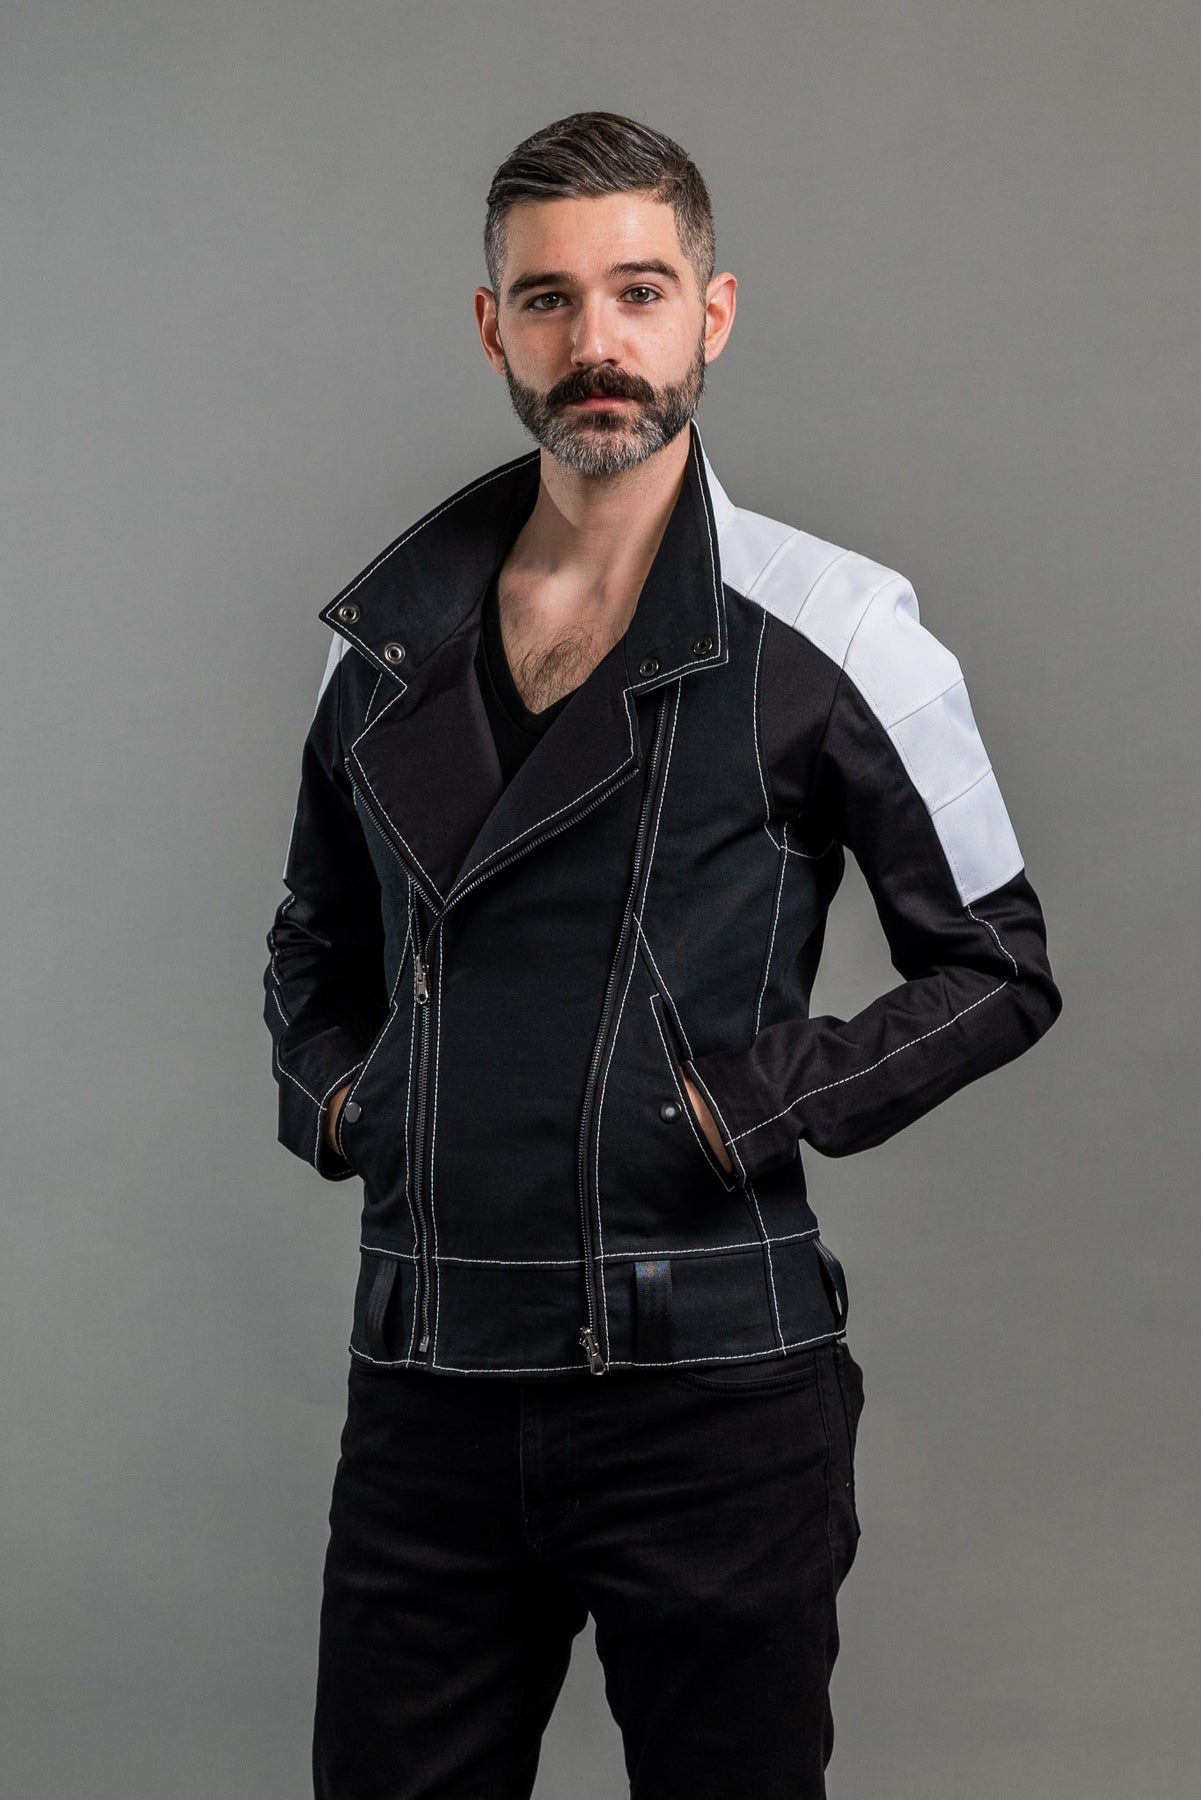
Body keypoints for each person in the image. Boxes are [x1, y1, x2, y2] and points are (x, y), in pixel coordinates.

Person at [263, 110, 1062, 1800]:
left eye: (637, 291)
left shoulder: (833, 629)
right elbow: (310, 945)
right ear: (492, 328)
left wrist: (734, 1108)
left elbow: (997, 966)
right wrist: (346, 1103)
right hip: (423, 1383)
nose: (595, 342)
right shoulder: (380, 645)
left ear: (712, 311)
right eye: (547, 299)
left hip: (710, 1393)